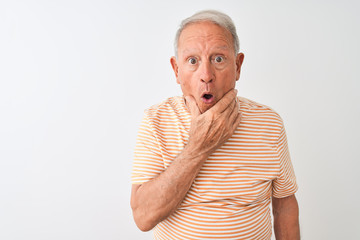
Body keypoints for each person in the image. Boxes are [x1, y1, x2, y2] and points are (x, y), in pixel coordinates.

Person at [130, 10, 300, 240]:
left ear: (238, 66)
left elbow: (284, 206)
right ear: (176, 70)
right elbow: (143, 217)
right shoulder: (156, 121)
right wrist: (198, 147)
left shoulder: (269, 123)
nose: (206, 75)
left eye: (218, 59)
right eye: (193, 61)